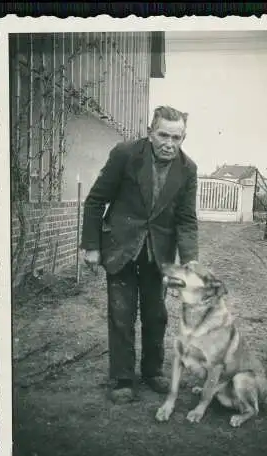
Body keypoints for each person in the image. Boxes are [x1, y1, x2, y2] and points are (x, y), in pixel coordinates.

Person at [80, 105, 199, 404]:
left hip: (158, 253)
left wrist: (189, 260)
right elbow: (95, 201)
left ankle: (151, 371)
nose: (169, 144)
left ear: (183, 138)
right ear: (150, 132)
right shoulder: (125, 155)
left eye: (177, 137)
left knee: (156, 314)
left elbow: (186, 219)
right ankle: (121, 378)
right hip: (121, 246)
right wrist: (92, 246)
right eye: (163, 135)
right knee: (121, 313)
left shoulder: (188, 169)